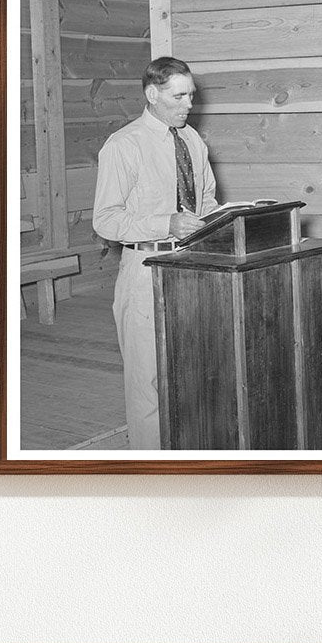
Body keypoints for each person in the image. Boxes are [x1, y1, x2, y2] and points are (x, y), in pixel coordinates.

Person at [92, 56, 219, 449]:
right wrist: (165, 223)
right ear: (152, 94)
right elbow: (106, 220)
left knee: (192, 371)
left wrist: (226, 218)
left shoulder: (192, 141)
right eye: (179, 96)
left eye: (191, 95)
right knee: (148, 381)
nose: (189, 105)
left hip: (191, 267)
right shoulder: (124, 145)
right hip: (145, 269)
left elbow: (208, 199)